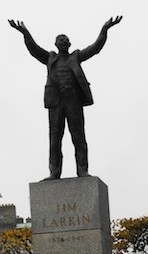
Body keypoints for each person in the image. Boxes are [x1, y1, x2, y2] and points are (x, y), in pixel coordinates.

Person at [8, 16, 122, 180]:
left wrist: (105, 29)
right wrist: (24, 32)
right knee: (55, 139)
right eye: (60, 40)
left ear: (69, 44)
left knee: (78, 137)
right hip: (56, 102)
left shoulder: (75, 57)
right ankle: (54, 172)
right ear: (56, 44)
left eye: (66, 40)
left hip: (73, 101)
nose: (63, 42)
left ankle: (82, 170)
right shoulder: (50, 58)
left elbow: (95, 48)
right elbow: (33, 49)